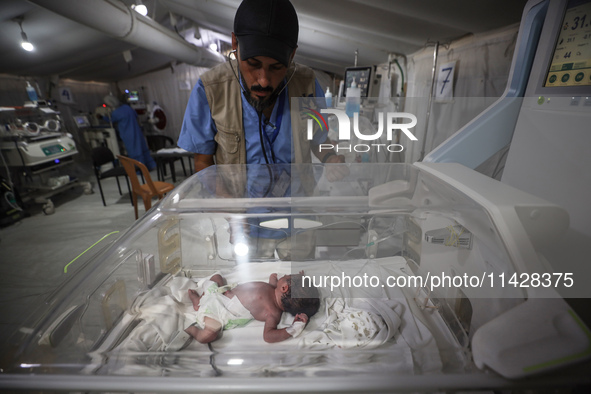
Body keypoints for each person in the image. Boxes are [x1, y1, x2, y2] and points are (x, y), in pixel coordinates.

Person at [177, 0, 346, 172]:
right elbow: (202, 161)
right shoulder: (210, 89)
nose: (263, 81)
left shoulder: (306, 83)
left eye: (276, 67)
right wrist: (221, 195)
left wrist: (330, 158)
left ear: (292, 56)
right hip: (239, 198)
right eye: (253, 64)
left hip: (296, 197)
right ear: (235, 44)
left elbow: (319, 139)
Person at [185, 272, 320, 344]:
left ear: (284, 288)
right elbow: (272, 281)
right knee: (217, 277)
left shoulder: (273, 313)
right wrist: (297, 280)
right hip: (219, 293)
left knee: (209, 334)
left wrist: (293, 329)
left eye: (288, 276)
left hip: (220, 312)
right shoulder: (273, 289)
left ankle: (193, 328)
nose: (284, 275)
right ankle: (199, 301)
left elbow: (268, 336)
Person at [103, 94, 156, 171]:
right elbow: (136, 116)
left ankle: (139, 170)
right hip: (137, 132)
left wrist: (102, 117)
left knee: (134, 151)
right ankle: (150, 166)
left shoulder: (116, 113)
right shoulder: (127, 108)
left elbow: (111, 120)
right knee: (142, 149)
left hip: (128, 134)